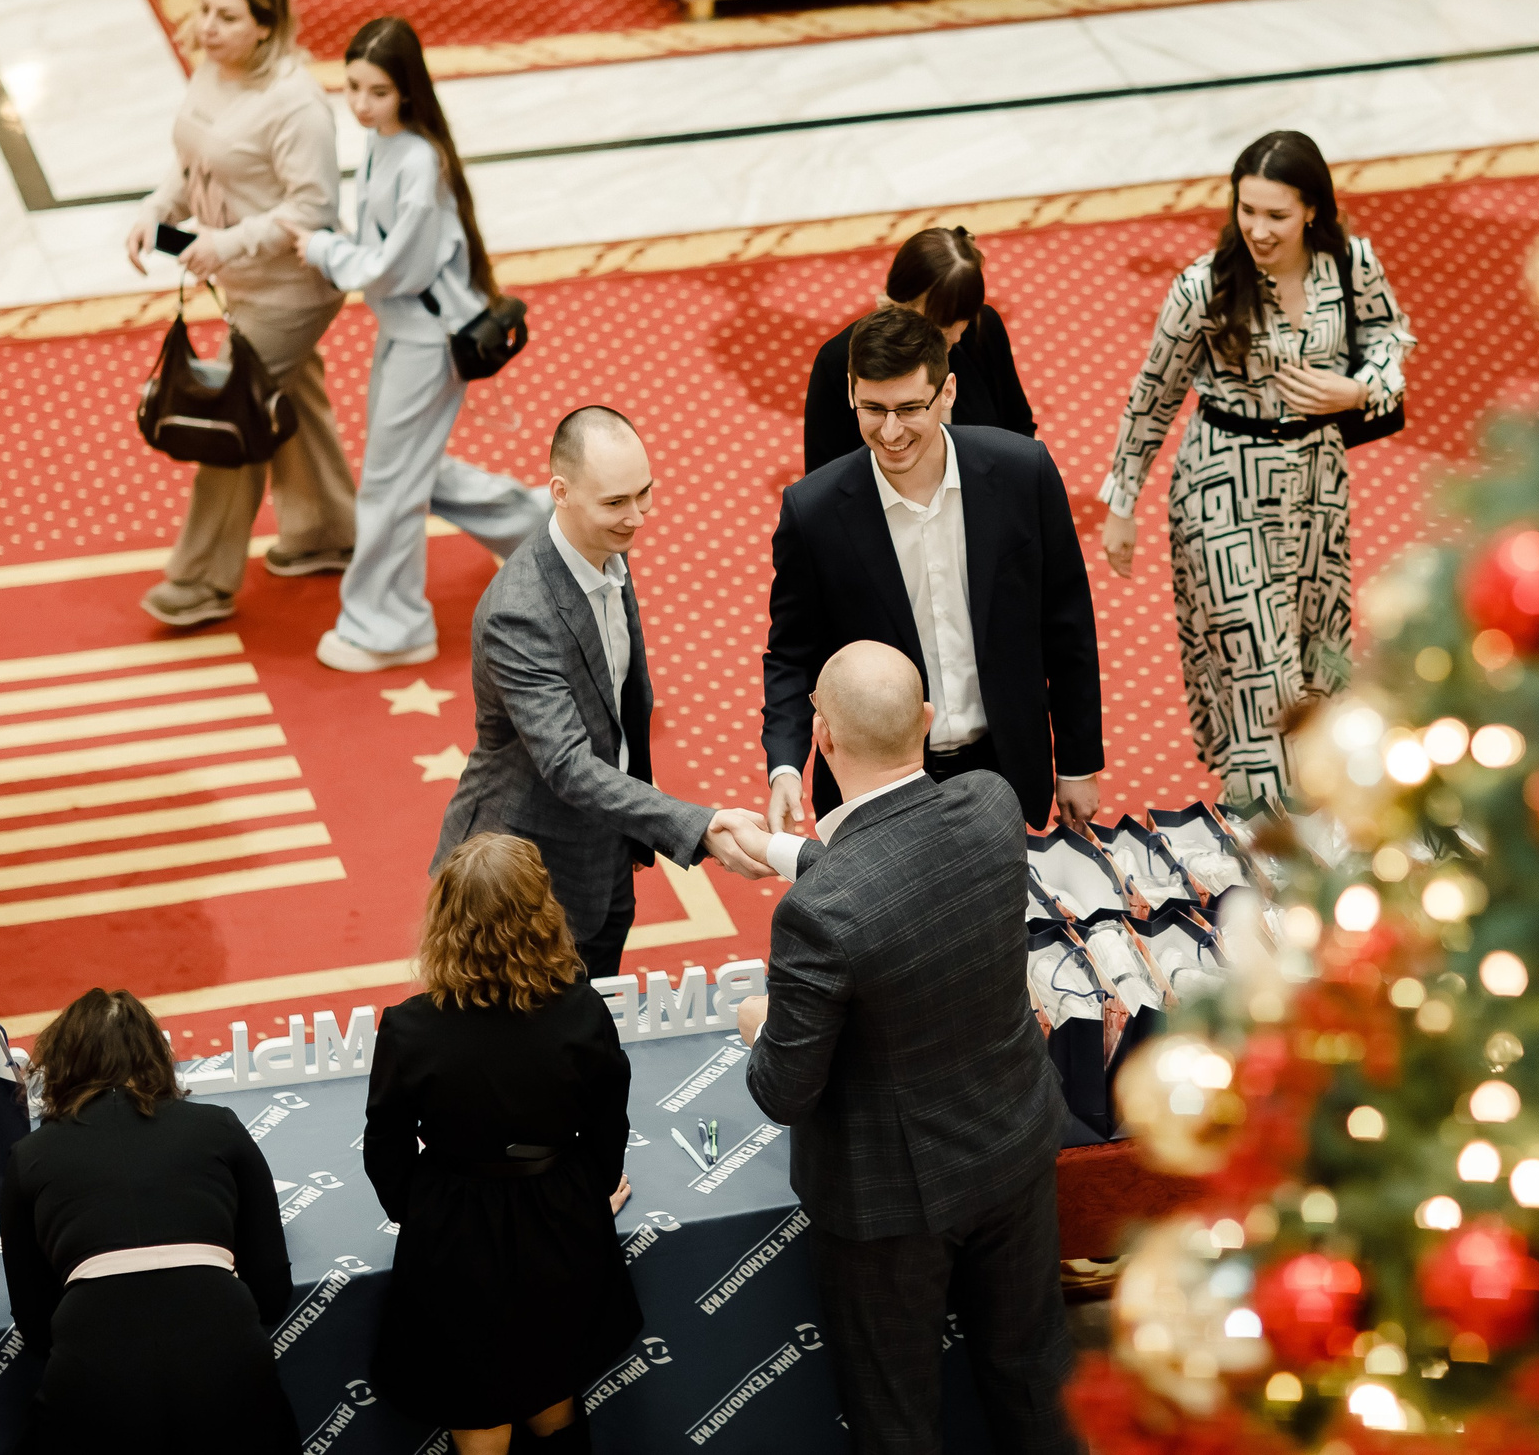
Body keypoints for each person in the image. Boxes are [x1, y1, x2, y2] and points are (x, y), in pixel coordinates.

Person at [737, 642, 1075, 1455]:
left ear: (820, 738)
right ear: (926, 719)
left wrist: (761, 1021)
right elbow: (906, 867)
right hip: (1015, 1148)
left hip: (891, 1204)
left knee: (898, 1421)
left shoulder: (818, 915)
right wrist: (789, 854)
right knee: (1035, 1380)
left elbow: (784, 1090)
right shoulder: (992, 803)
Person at [1098, 130, 1415, 804]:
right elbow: (1153, 394)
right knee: (1259, 673)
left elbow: (1391, 337)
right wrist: (1122, 503)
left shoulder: (1351, 264)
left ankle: (1314, 811)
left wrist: (1358, 390)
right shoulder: (1203, 287)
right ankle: (1269, 830)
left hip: (1316, 485)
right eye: (1247, 210)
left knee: (1314, 659)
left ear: (1311, 210)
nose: (1258, 230)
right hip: (1221, 486)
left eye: (1276, 214)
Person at [434, 404, 773, 979]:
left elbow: (620, 706)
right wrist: (698, 826)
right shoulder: (519, 613)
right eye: (616, 502)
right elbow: (566, 764)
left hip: (604, 851)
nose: (637, 517)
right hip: (517, 881)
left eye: (645, 493)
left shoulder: (606, 548)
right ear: (560, 493)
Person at [764, 306, 1103, 835]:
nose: (890, 431)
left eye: (909, 408)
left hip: (1006, 765)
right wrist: (785, 765)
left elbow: (1067, 623)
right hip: (878, 784)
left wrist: (1078, 764)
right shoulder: (813, 512)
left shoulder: (1023, 471)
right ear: (851, 393)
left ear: (947, 393)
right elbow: (792, 653)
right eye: (873, 408)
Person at [286, 16, 551, 674]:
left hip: (426, 339)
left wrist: (324, 249)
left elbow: (393, 268)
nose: (360, 103)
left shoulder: (418, 160)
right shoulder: (387, 144)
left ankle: (392, 625)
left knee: (388, 482)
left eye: (376, 91)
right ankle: (537, 528)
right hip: (408, 332)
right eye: (352, 87)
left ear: (406, 89)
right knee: (410, 468)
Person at [363, 833, 638, 1454]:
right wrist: (586, 1197)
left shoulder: (409, 1028)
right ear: (543, 913)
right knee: (553, 1395)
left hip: (455, 1237)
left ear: (446, 921)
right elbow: (608, 1124)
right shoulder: (583, 1010)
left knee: (478, 1412)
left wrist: (425, 1213)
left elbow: (385, 1147)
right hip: (561, 1224)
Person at [126, 0, 355, 629]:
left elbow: (314, 209)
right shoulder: (214, 71)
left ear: (266, 26)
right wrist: (156, 211)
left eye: (227, 17)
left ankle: (200, 581)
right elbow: (194, 161)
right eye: (205, 11)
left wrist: (227, 244)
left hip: (292, 289)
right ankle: (327, 532)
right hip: (244, 280)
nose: (208, 27)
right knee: (290, 396)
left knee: (235, 415)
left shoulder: (296, 105)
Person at [0, 988, 297, 1454]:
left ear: (60, 1065)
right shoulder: (219, 1126)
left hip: (92, 1379)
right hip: (227, 1363)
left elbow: (34, 1321)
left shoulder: (28, 1156)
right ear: (157, 1055)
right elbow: (272, 1285)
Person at [802, 226, 1037, 472]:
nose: (956, 337)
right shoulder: (839, 360)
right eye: (943, 325)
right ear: (900, 302)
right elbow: (823, 476)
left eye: (965, 320)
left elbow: (1018, 427)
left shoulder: (982, 327)